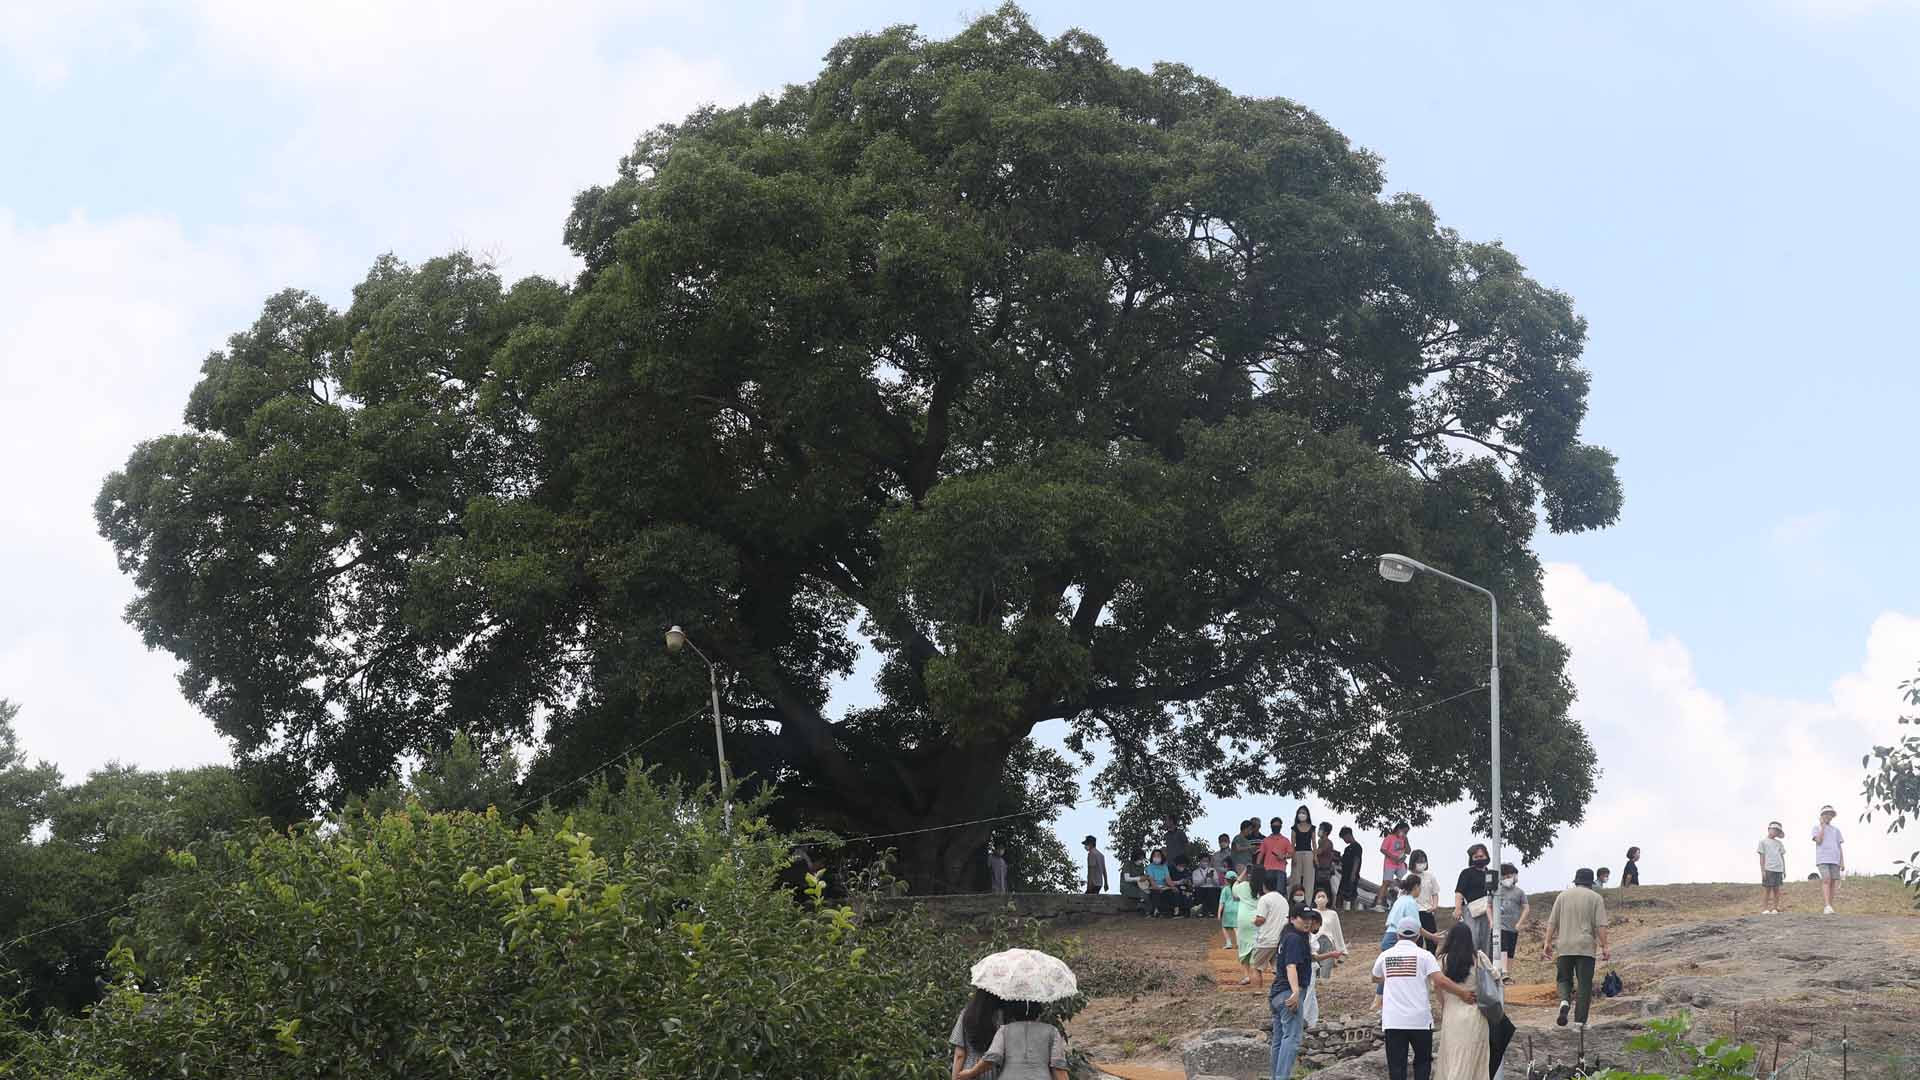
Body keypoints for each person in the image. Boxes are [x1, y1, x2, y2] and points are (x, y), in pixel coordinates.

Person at [1374, 915, 1460, 1080]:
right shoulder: (1425, 956)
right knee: (1422, 1063)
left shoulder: (1386, 955)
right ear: (1418, 936)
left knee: (1396, 1066)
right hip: (1419, 1020)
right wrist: (1462, 993)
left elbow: (1375, 977)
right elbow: (1440, 980)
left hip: (1393, 1020)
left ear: (1398, 935)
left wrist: (1391, 976)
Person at [1543, 867, 1610, 1031]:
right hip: (1585, 947)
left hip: (1564, 946)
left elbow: (1552, 922)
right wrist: (1605, 945)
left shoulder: (1562, 896)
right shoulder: (1595, 898)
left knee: (1563, 979)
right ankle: (1579, 1022)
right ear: (1591, 882)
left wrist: (1547, 942)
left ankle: (1564, 1001)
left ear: (1576, 880)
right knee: (1584, 984)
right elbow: (1600, 925)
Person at [956, 999, 1068, 1080]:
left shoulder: (1005, 1030)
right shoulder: (1052, 1031)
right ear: (1039, 1012)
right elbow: (1058, 1068)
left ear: (1013, 1012)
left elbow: (993, 1057)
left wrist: (971, 1072)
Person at [1432, 923, 1490, 1080]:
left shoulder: (1442, 961)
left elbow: (1437, 986)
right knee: (1474, 1061)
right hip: (1476, 1013)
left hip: (1451, 1014)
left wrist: (1445, 1005)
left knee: (1452, 1057)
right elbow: (1495, 978)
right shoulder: (1479, 958)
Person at [1270, 903, 1317, 1079]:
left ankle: (1275, 1076)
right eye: (1303, 918)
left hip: (1276, 994)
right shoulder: (1295, 938)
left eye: (1310, 918)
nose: (1307, 922)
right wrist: (1295, 992)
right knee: (1292, 1038)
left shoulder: (1287, 937)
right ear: (1292, 919)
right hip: (1288, 993)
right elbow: (1291, 966)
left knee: (1279, 1039)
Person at [951, 987, 1003, 1080]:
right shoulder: (1000, 1017)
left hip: (967, 1072)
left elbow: (959, 1054)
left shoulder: (966, 1013)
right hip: (991, 1070)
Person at [1453, 843, 1494, 958]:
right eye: (1476, 857)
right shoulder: (1466, 873)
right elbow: (1459, 892)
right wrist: (1458, 908)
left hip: (1489, 911)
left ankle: (1486, 969)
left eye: (1481, 856)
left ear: (1486, 856)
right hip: (1471, 911)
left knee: (1487, 941)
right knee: (1473, 940)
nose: (1479, 859)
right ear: (1471, 858)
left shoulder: (1491, 874)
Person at [1249, 877, 1289, 985]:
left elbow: (1261, 919)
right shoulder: (1283, 899)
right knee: (1278, 968)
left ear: (1264, 886)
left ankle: (1257, 991)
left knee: (1256, 967)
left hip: (1266, 939)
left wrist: (1254, 921)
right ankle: (1284, 988)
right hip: (1280, 939)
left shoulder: (1265, 899)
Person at [1495, 862, 1530, 981]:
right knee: (1503, 947)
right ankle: (1503, 972)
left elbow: (1526, 907)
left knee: (1510, 950)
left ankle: (1508, 974)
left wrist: (1520, 923)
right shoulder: (1497, 891)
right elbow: (1489, 905)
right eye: (1504, 876)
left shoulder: (1519, 892)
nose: (1507, 879)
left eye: (1510, 876)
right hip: (1501, 925)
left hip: (1514, 926)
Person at [1813, 804, 1846, 914]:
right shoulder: (1816, 828)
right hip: (1822, 858)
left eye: (1830, 814)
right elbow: (1818, 841)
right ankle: (1826, 905)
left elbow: (1839, 846)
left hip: (1835, 859)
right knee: (1826, 879)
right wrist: (1822, 827)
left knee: (1833, 882)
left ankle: (1830, 906)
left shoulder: (1836, 830)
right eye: (1826, 814)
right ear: (1822, 815)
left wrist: (1842, 861)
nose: (1828, 816)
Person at [1312, 887, 1348, 979]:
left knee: (1325, 973)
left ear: (1327, 899)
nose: (1321, 898)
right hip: (1314, 943)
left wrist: (1342, 950)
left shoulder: (1333, 914)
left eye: (1323, 896)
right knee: (1313, 971)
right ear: (1314, 899)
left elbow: (1337, 931)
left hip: (1328, 943)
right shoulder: (1311, 912)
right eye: (1319, 896)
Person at [1410, 850, 1441, 955]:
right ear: (1413, 862)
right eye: (1419, 861)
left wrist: (1435, 906)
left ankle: (1431, 958)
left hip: (1427, 911)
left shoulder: (1430, 876)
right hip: (1414, 912)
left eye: (1423, 861)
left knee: (1432, 939)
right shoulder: (1407, 877)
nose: (1421, 864)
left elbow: (1435, 893)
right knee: (1417, 939)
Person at [1232, 871, 1260, 983]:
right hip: (1258, 919)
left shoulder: (1243, 886)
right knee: (1255, 947)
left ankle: (1246, 975)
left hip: (1243, 919)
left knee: (1243, 947)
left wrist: (1242, 874)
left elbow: (1234, 890)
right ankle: (1255, 976)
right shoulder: (1262, 888)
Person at [1757, 820, 1788, 914]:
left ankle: (1775, 908)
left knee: (1777, 889)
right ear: (1769, 829)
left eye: (1777, 831)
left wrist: (1784, 869)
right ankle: (1765, 909)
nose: (1775, 832)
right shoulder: (1763, 842)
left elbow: (1782, 856)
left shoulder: (1779, 843)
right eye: (1774, 829)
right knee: (1767, 889)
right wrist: (1762, 871)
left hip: (1778, 868)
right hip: (1768, 868)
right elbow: (1762, 857)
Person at [1258, 817, 1294, 896]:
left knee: (1280, 894)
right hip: (1267, 869)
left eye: (1278, 826)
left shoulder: (1285, 840)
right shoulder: (1266, 840)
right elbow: (1261, 853)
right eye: (1274, 826)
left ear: (1281, 827)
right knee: (1267, 893)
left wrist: (1283, 856)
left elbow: (1291, 854)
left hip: (1280, 870)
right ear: (1271, 826)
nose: (1276, 827)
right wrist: (1257, 867)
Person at [1290, 806, 1319, 902]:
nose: (1301, 814)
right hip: (1297, 853)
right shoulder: (1294, 828)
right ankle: (1294, 901)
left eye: (1304, 812)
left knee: (1309, 879)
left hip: (1308, 854)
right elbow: (1292, 843)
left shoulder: (1312, 827)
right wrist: (1293, 857)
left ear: (1307, 815)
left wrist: (1315, 857)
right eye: (1300, 812)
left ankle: (1307, 902)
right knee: (1295, 879)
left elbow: (1314, 843)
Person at [1338, 826, 1365, 910]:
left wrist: (1353, 873)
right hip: (1344, 874)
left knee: (1351, 894)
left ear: (1348, 835)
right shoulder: (1347, 849)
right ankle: (1340, 909)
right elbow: (1344, 860)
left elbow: (1357, 860)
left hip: (1352, 873)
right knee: (1341, 894)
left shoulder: (1357, 847)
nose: (1344, 840)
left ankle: (1353, 910)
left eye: (1344, 838)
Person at [1143, 848, 1174, 917]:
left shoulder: (1164, 867)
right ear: (1152, 857)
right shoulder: (1150, 867)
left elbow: (1168, 879)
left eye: (1158, 855)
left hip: (1164, 886)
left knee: (1170, 892)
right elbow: (1151, 879)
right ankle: (1156, 911)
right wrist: (1156, 887)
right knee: (1155, 893)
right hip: (1153, 886)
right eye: (1155, 856)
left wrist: (1173, 886)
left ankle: (1168, 911)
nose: (1156, 857)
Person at [1381, 821, 1412, 887]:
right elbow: (1382, 849)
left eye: (1406, 832)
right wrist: (1393, 857)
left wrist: (1406, 841)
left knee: (1405, 880)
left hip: (1400, 864)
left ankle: (1394, 884)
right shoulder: (1390, 837)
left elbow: (1408, 851)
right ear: (1399, 829)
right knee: (1386, 883)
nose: (1405, 834)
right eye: (1404, 831)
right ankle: (1381, 896)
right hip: (1389, 864)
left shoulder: (1404, 839)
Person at [1220, 869, 1243, 951]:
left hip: (1228, 910)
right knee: (1236, 928)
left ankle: (1228, 943)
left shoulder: (1225, 889)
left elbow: (1222, 902)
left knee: (1224, 927)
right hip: (1238, 909)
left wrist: (1219, 913)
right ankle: (1238, 943)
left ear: (1226, 880)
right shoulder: (1239, 888)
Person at [1315, 821, 1338, 899]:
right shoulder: (1320, 842)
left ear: (1326, 832)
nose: (1319, 830)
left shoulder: (1328, 843)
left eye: (1321, 829)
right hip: (1318, 870)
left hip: (1324, 871)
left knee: (1324, 889)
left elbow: (1319, 852)